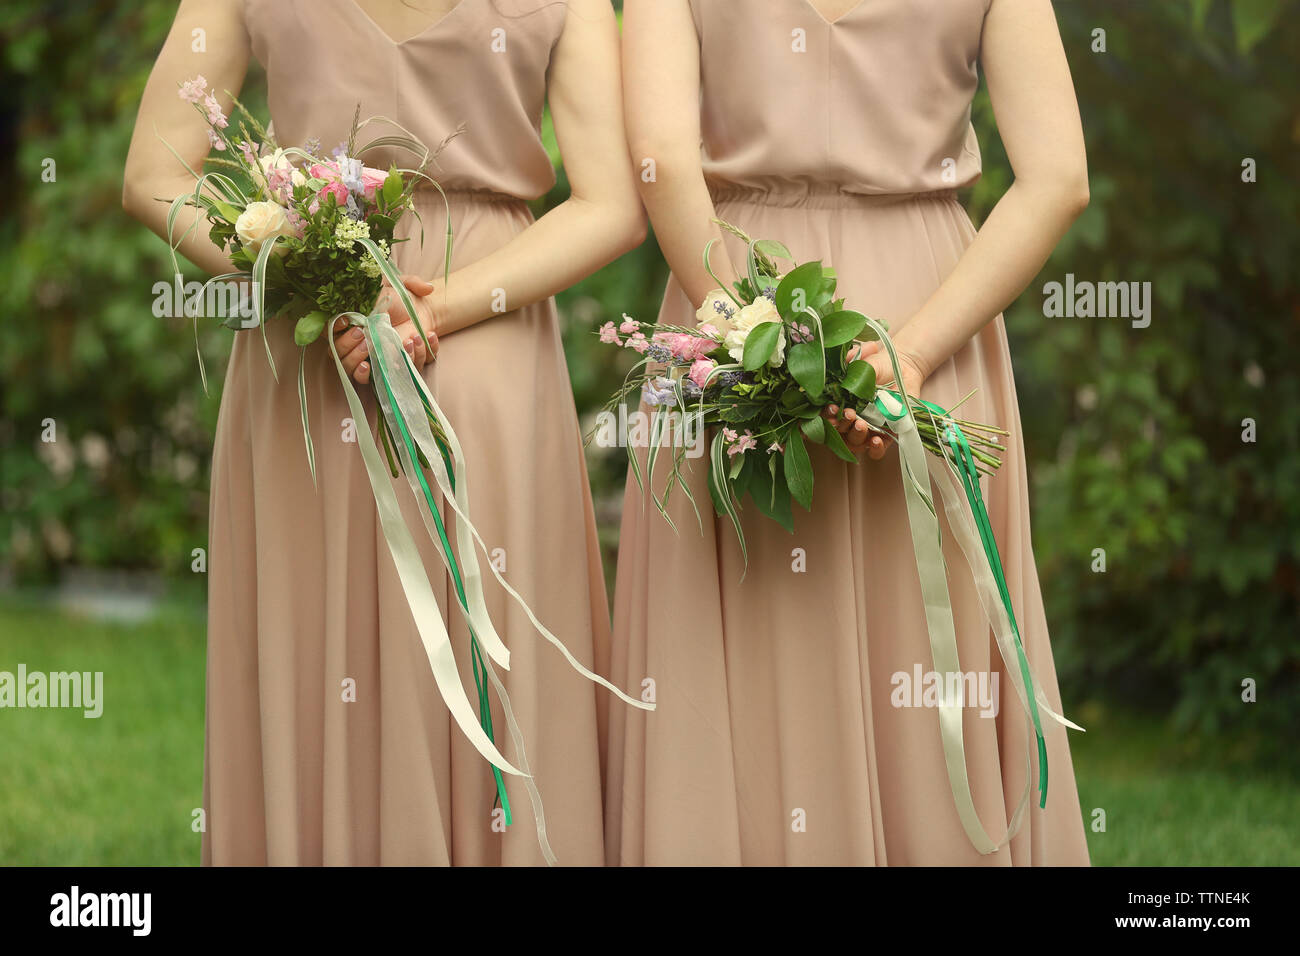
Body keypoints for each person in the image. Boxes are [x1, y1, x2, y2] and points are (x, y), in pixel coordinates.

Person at [123, 0, 644, 865]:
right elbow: (609, 202)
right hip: (441, 327)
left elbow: (154, 175)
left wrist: (311, 274)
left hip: (341, 341)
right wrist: (320, 272)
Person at [604, 0, 1092, 865]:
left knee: (760, 646)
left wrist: (744, 336)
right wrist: (902, 356)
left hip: (740, 289)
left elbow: (664, 163)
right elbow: (1056, 178)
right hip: (923, 307)